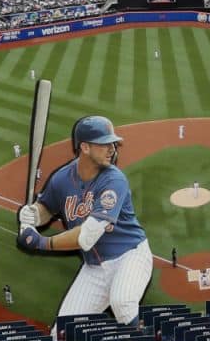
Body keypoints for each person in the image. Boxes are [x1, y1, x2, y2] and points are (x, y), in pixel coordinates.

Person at [19, 115, 154, 326]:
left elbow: (86, 237)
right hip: (94, 267)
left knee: (123, 304)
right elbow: (46, 207)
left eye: (113, 144)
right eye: (104, 144)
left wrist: (40, 242)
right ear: (85, 147)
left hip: (129, 256)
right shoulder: (62, 179)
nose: (112, 149)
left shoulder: (114, 180)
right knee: (63, 330)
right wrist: (33, 214)